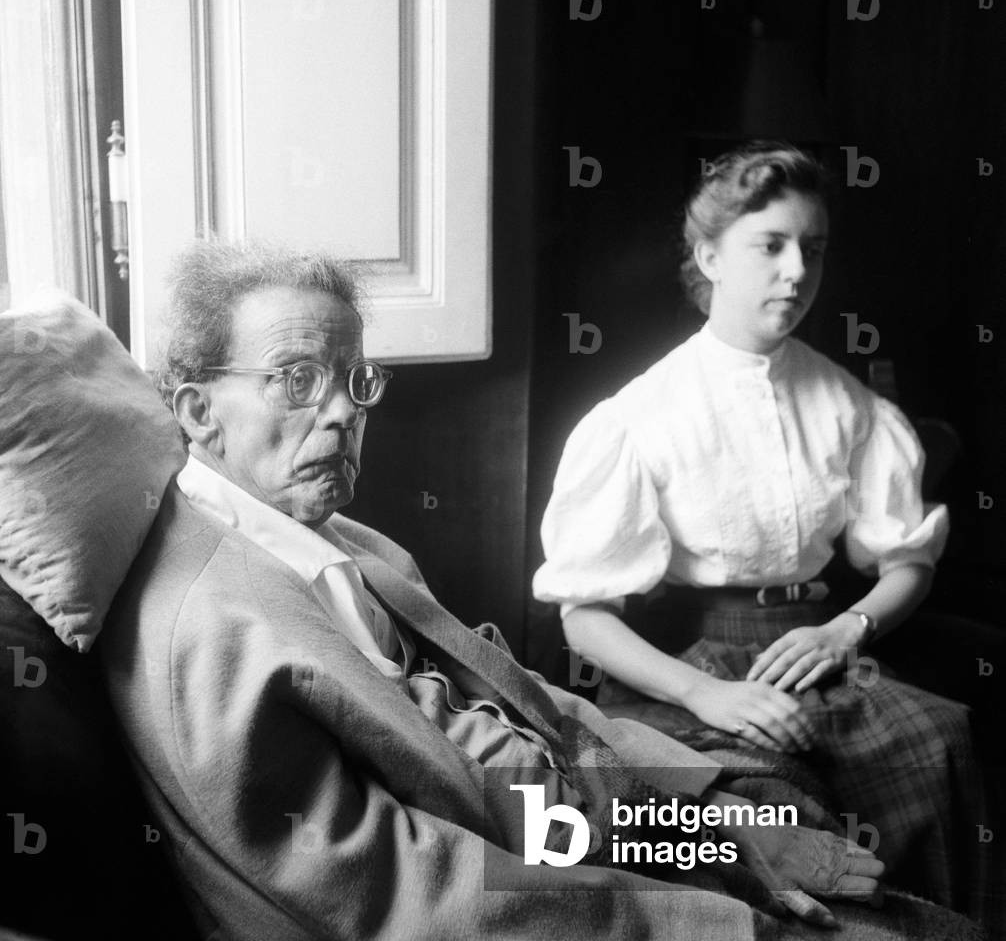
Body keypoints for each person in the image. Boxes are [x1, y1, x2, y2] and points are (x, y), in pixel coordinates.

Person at [99, 240, 979, 941]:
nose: (339, 412)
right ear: (198, 411)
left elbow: (528, 698)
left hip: (552, 830)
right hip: (528, 893)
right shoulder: (204, 632)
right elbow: (414, 898)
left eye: (354, 381)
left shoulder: (336, 536)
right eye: (297, 380)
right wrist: (710, 881)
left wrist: (703, 808)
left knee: (808, 806)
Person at [533, 142, 987, 923]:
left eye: (811, 249)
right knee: (762, 809)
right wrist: (704, 694)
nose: (797, 272)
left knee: (938, 740)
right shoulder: (639, 418)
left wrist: (849, 629)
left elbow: (908, 560)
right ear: (708, 255)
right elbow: (584, 615)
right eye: (769, 246)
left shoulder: (847, 403)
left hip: (816, 647)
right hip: (683, 659)